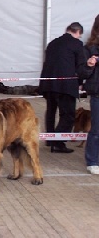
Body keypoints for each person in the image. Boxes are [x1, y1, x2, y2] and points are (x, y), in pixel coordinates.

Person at [39, 22, 87, 153]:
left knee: (51, 112)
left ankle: (49, 139)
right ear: (78, 33)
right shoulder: (77, 44)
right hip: (66, 85)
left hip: (48, 83)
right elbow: (80, 66)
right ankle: (58, 143)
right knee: (68, 115)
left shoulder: (52, 43)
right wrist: (81, 82)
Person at [81, 14, 99, 174]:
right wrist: (89, 65)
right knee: (96, 130)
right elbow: (82, 73)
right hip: (97, 94)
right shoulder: (89, 49)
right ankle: (92, 160)